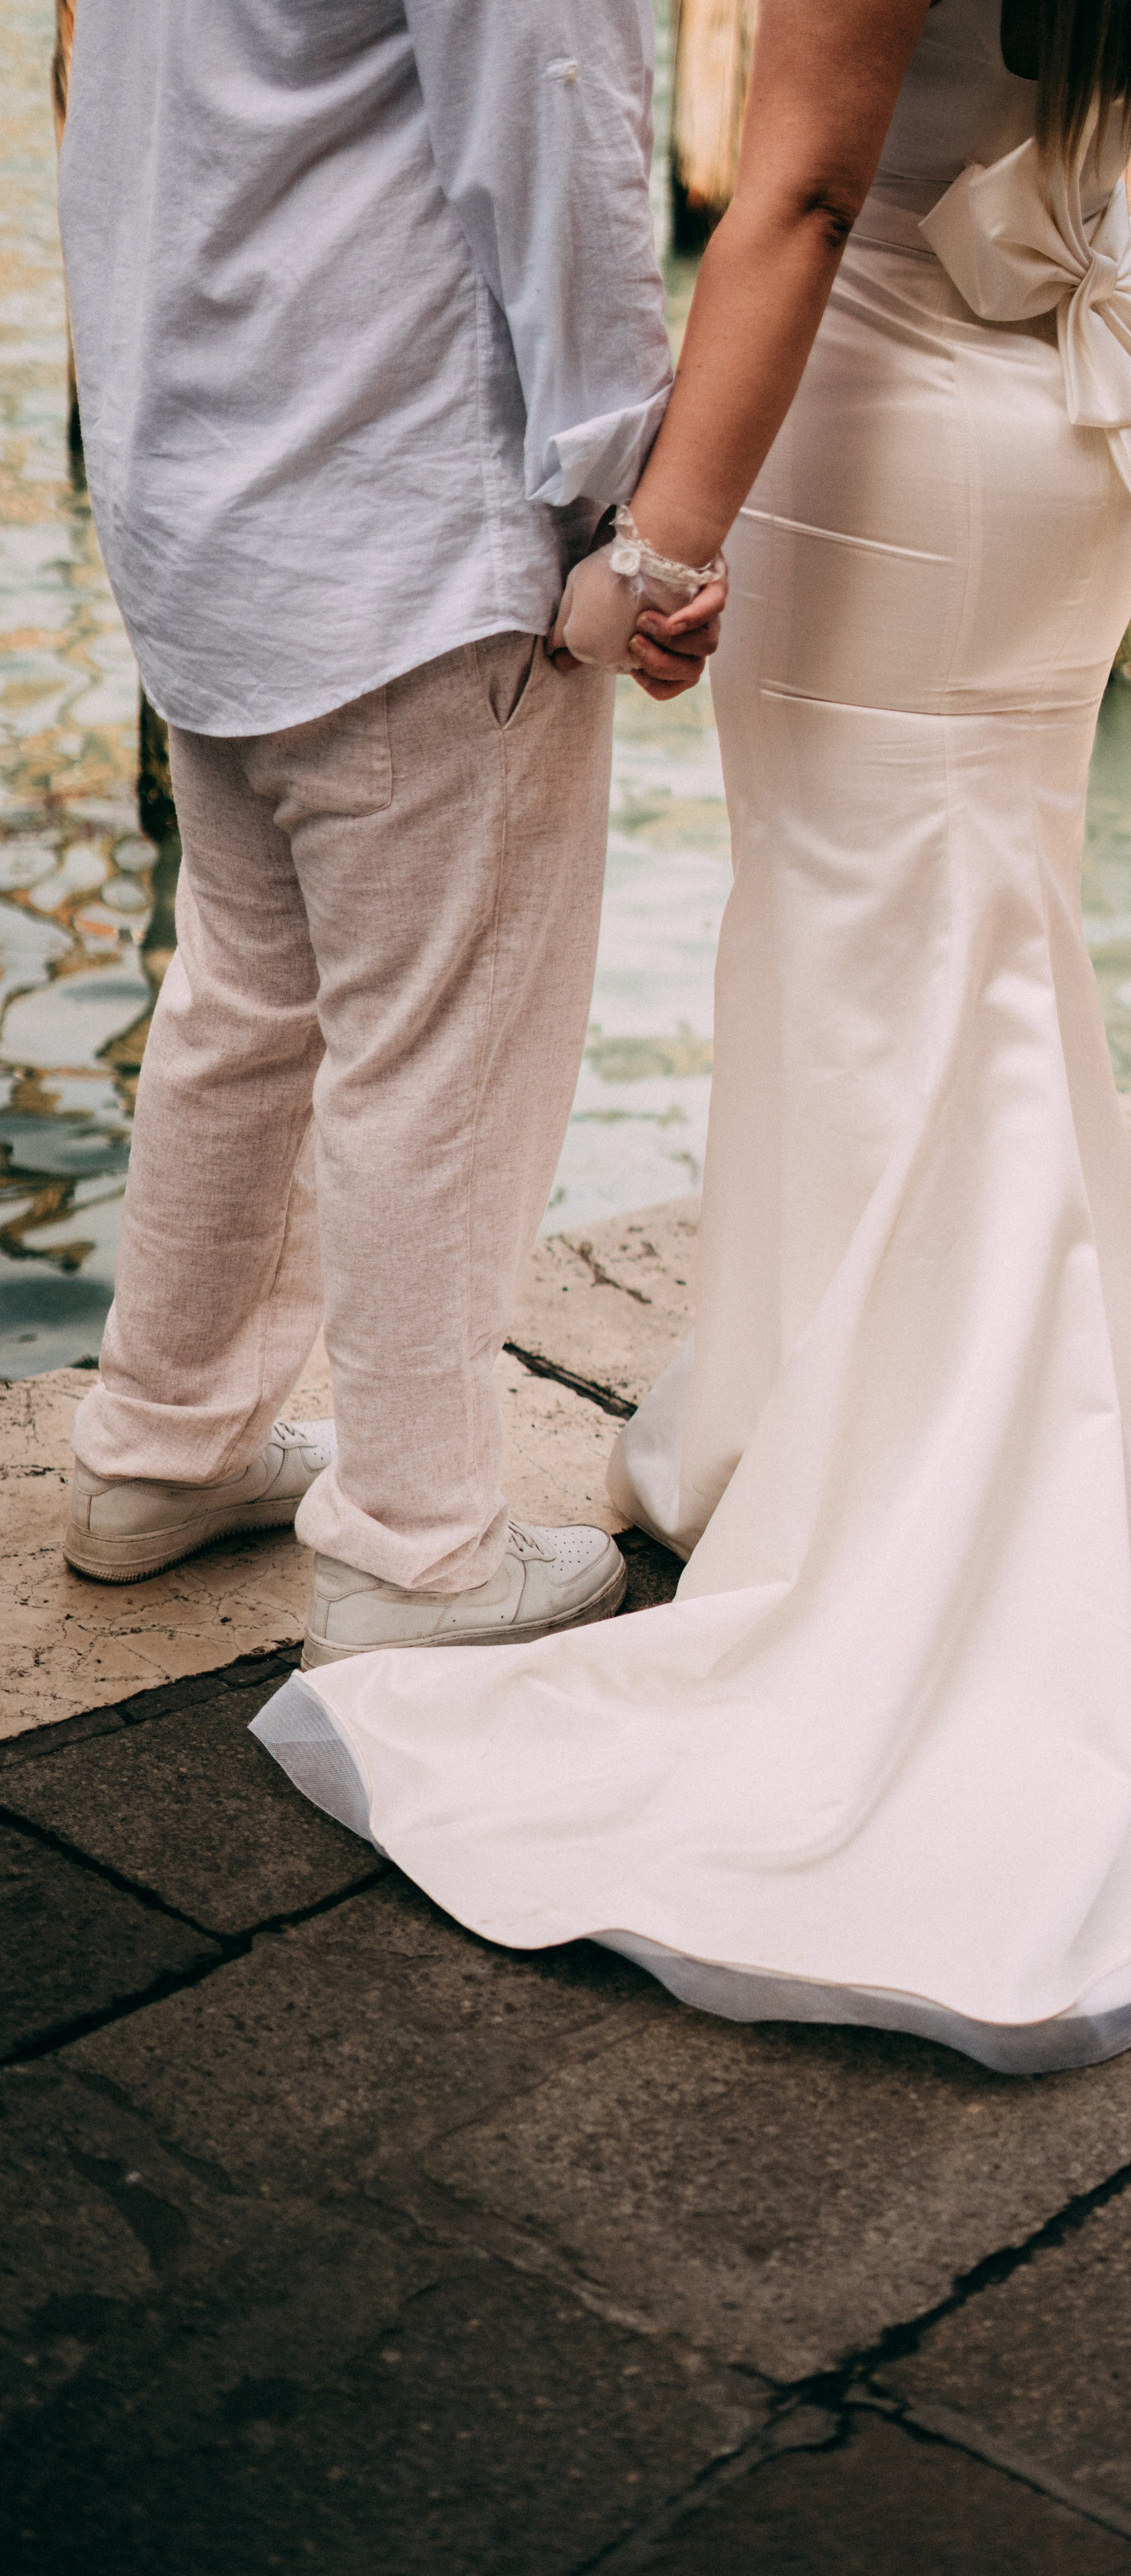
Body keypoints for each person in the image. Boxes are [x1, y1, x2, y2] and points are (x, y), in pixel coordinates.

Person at [255, 0, 1131, 2074]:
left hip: (892, 440)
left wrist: (658, 549)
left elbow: (806, 193)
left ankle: (920, 1515)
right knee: (975, 968)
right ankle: (788, 1424)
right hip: (1078, 412)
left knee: (854, 961)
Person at [55, 3, 721, 1655]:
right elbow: (561, 134)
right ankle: (418, 1541)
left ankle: (163, 1443)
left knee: (247, 996)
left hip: (202, 478)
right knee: (439, 1048)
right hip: (397, 503)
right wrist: (635, 520)